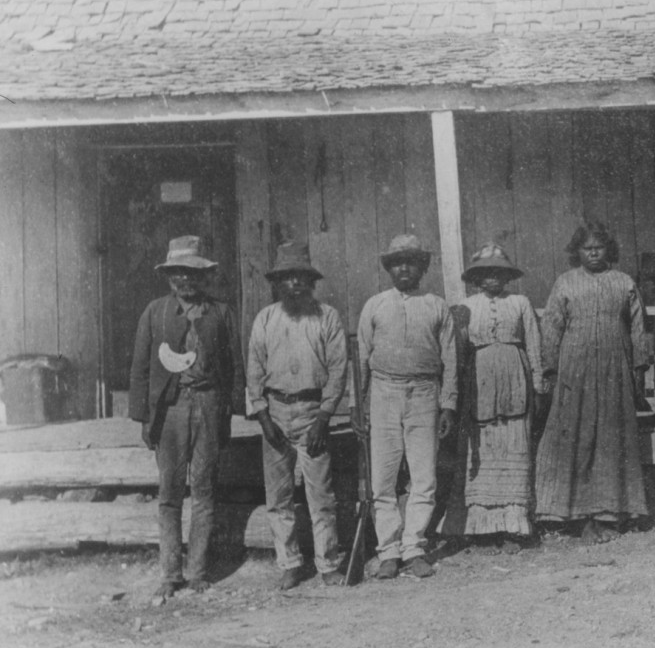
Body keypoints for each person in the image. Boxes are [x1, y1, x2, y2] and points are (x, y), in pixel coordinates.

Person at [129, 235, 244, 602]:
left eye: (192, 272)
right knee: (170, 492)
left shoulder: (221, 312)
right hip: (171, 410)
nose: (185, 280)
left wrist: (229, 409)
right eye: (178, 273)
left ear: (204, 276)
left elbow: (233, 365)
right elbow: (141, 368)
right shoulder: (155, 312)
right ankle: (170, 573)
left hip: (209, 405)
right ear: (168, 277)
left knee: (205, 488)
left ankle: (196, 571)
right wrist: (145, 418)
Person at [534, 222, 651, 543]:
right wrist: (552, 372)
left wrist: (640, 369)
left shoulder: (623, 282)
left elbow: (640, 328)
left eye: (599, 246)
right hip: (576, 374)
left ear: (608, 250)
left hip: (615, 371)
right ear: (578, 252)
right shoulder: (565, 283)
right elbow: (551, 329)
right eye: (587, 248)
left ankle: (610, 513)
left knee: (613, 441)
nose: (594, 252)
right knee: (579, 439)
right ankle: (580, 516)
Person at [246, 242, 347, 590]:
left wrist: (323, 417)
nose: (295, 285)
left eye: (301, 278)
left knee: (321, 495)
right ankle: (289, 562)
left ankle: (328, 563)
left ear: (311, 281)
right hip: (274, 414)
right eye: (287, 279)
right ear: (277, 283)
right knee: (279, 497)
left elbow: (337, 369)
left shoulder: (327, 317)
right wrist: (263, 417)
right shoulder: (266, 319)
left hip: (312, 412)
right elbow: (254, 371)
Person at [357, 234, 458, 579]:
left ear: (422, 267)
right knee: (382, 478)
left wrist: (449, 405)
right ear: (388, 268)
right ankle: (388, 550)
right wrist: (360, 405)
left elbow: (450, 359)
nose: (404, 268)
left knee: (423, 475)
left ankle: (414, 546)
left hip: (425, 392)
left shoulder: (436, 305)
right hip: (384, 392)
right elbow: (361, 360)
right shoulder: (375, 305)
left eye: (411, 261)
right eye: (397, 262)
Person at [455, 243, 546, 553]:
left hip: (515, 379)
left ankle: (514, 526)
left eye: (498, 273)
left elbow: (533, 344)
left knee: (515, 443)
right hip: (480, 383)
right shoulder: (465, 307)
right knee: (483, 446)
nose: (492, 279)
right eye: (485, 274)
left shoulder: (520, 303)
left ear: (507, 277)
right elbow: (460, 351)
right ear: (477, 278)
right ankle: (483, 528)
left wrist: (537, 384)